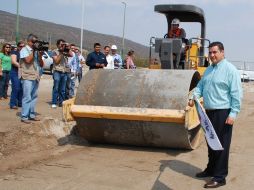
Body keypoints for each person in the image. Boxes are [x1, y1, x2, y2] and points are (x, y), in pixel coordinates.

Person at [188, 41, 242, 188]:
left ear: (222, 52)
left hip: (223, 113)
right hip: (208, 113)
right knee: (211, 143)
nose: (212, 55)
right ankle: (211, 169)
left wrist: (233, 114)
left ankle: (220, 177)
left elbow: (236, 94)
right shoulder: (209, 70)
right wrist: (193, 97)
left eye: (215, 52)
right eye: (210, 52)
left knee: (221, 146)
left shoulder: (230, 70)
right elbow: (200, 87)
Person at [19, 34, 44, 124]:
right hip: (27, 76)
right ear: (29, 41)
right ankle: (24, 116)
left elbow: (41, 64)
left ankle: (31, 115)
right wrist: (33, 50)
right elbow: (28, 61)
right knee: (27, 97)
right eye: (34, 42)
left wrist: (40, 55)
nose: (35, 43)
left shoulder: (36, 51)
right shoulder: (24, 50)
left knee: (34, 96)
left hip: (35, 76)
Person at [51, 39, 69, 108]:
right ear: (57, 45)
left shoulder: (66, 51)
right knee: (56, 88)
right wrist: (61, 53)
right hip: (57, 71)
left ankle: (61, 102)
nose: (62, 46)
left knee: (63, 89)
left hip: (64, 71)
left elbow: (71, 55)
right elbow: (56, 61)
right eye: (61, 44)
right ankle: (54, 102)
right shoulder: (54, 52)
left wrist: (68, 47)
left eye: (63, 44)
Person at [9, 41, 25, 109]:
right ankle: (12, 103)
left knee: (22, 88)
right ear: (18, 47)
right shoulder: (14, 52)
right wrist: (22, 67)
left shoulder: (25, 53)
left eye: (23, 46)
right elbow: (13, 62)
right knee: (16, 88)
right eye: (21, 46)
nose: (22, 47)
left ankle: (20, 103)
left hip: (22, 73)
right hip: (15, 72)